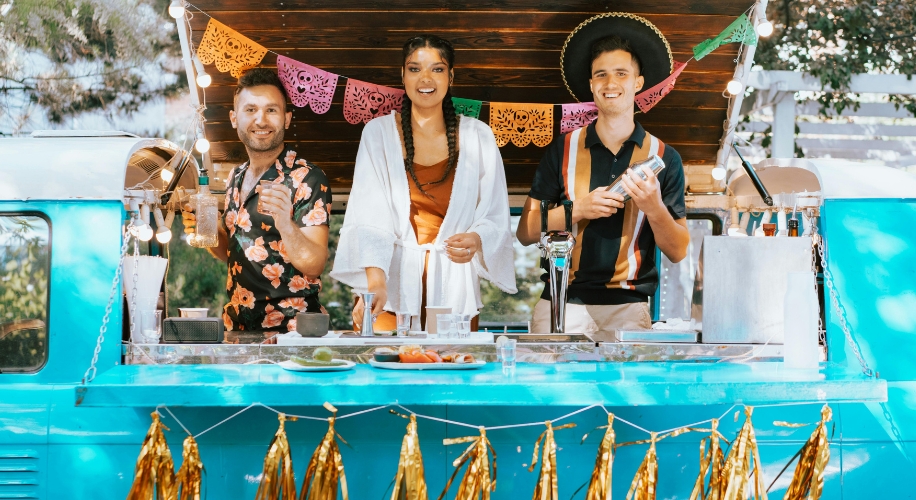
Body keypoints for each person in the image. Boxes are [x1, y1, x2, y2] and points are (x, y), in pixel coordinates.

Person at [517, 14, 689, 338]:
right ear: (592, 84)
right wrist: (577, 210)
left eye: (621, 74)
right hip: (560, 304)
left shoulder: (665, 158)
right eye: (602, 75)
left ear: (638, 82)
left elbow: (678, 251)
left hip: (630, 308)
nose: (611, 84)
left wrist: (653, 206)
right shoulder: (563, 149)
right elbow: (525, 231)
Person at [331, 35, 517, 332]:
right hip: (389, 286)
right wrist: (375, 282)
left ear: (451, 75)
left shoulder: (478, 136)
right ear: (402, 75)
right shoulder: (377, 134)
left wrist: (478, 238)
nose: (426, 78)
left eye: (437, 69)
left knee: (454, 372)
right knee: (384, 371)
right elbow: (367, 215)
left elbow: (494, 211)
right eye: (415, 69)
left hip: (455, 285)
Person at [184, 68, 332, 337]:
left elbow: (314, 264)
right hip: (237, 330)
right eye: (250, 109)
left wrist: (285, 224)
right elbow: (233, 253)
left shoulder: (307, 177)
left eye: (271, 110)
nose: (261, 120)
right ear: (234, 118)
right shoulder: (235, 177)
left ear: (286, 119)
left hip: (291, 334)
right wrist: (205, 231)